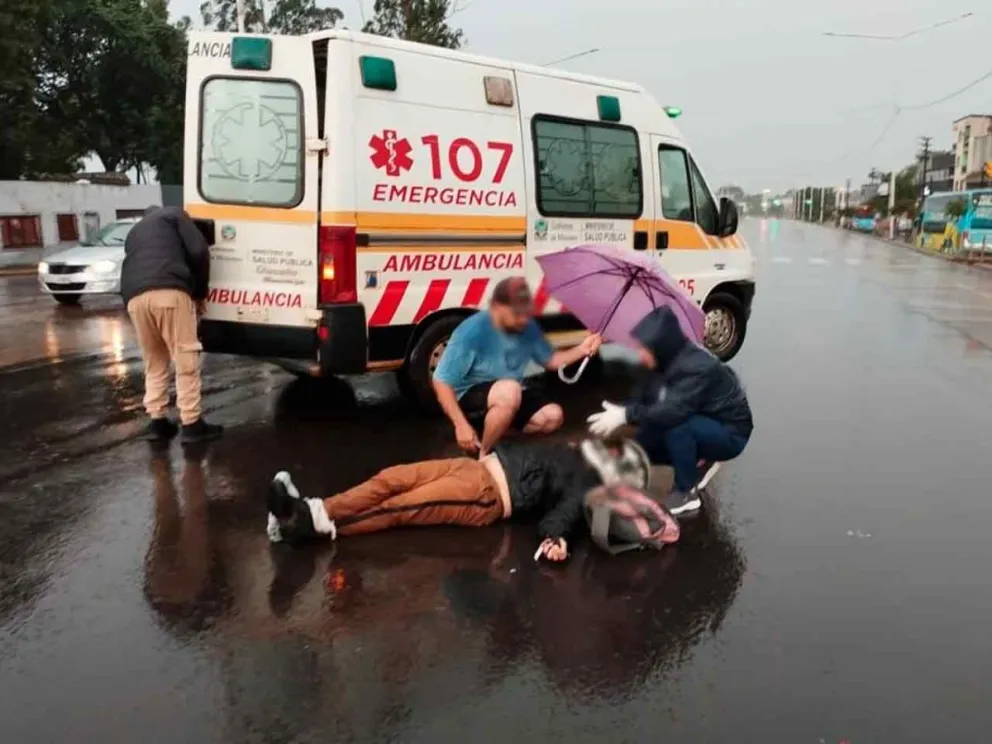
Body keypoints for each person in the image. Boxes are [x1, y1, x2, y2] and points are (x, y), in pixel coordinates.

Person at [265, 438, 650, 563]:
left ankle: (304, 524)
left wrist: (556, 540)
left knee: (401, 508)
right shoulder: (576, 449)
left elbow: (563, 515)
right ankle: (314, 509)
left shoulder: (587, 484)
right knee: (390, 480)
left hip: (485, 496)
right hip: (473, 468)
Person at [587, 306, 753, 515]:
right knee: (649, 445)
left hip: (731, 431)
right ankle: (700, 457)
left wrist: (625, 415)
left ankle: (686, 493)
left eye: (644, 348)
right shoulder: (664, 360)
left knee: (676, 425)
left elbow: (674, 411)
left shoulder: (698, 367)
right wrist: (624, 427)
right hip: (702, 416)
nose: (639, 353)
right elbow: (646, 399)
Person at [432, 276, 602, 455]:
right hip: (469, 395)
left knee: (553, 417)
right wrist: (460, 425)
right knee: (510, 390)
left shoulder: (525, 326)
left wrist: (583, 348)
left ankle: (495, 428)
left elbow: (551, 361)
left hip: (506, 392)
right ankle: (484, 455)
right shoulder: (472, 332)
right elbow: (441, 382)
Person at [121, 205, 222, 444]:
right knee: (185, 356)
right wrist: (200, 292)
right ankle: (191, 423)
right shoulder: (176, 216)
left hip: (134, 298)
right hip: (170, 290)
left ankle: (157, 421)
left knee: (154, 359)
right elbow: (198, 251)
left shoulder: (135, 231)